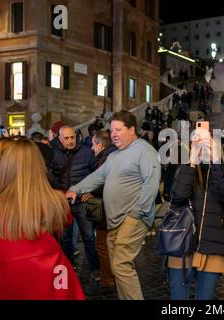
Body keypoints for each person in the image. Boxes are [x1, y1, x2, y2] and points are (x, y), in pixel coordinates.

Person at [66, 111, 161, 300]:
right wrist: (76, 188)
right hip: (114, 220)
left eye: (118, 129)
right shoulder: (115, 155)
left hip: (133, 218)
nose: (114, 134)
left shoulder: (145, 150)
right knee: (115, 266)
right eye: (112, 130)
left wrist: (136, 213)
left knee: (120, 264)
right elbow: (97, 177)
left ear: (132, 130)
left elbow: (151, 184)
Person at [0, 139, 84, 300]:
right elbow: (66, 221)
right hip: (55, 279)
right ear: (39, 165)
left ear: (6, 167)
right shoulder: (56, 200)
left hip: (12, 281)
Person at [167, 127, 224, 300]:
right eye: (198, 141)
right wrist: (191, 163)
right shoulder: (185, 170)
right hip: (181, 245)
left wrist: (216, 161)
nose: (202, 146)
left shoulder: (223, 172)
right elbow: (176, 197)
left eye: (207, 142)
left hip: (211, 246)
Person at [50, 126, 100, 277]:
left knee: (89, 236)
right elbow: (50, 176)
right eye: (66, 138)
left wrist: (91, 192)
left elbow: (97, 174)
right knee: (65, 238)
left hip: (82, 201)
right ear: (60, 139)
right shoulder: (53, 153)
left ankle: (94, 269)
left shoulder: (86, 152)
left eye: (72, 137)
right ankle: (67, 269)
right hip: (62, 202)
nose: (70, 141)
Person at [82, 131, 117, 295]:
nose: (91, 148)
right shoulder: (110, 155)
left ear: (101, 145)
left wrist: (91, 189)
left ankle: (107, 281)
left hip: (106, 209)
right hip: (109, 207)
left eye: (93, 144)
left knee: (102, 245)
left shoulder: (106, 158)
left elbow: (104, 181)